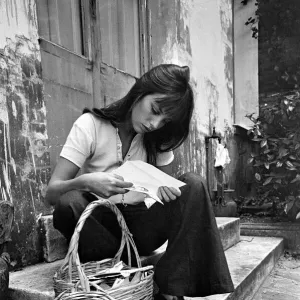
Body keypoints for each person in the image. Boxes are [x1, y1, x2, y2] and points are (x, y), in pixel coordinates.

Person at [45, 64, 234, 300]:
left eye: (165, 121)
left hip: (142, 227)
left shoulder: (157, 138)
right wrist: (86, 182)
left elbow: (168, 191)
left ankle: (170, 286)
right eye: (154, 110)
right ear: (140, 92)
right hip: (101, 226)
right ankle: (120, 265)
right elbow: (51, 193)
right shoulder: (89, 125)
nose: (155, 123)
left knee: (193, 185)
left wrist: (163, 191)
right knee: (68, 203)